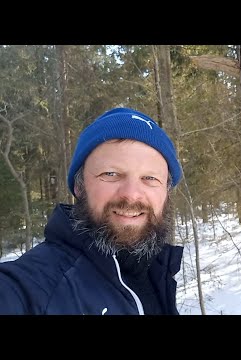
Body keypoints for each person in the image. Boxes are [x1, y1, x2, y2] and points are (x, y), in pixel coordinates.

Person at [0, 107, 184, 315]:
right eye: (111, 173)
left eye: (150, 178)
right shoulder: (37, 287)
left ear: (166, 192)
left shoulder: (158, 273)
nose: (132, 195)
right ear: (79, 186)